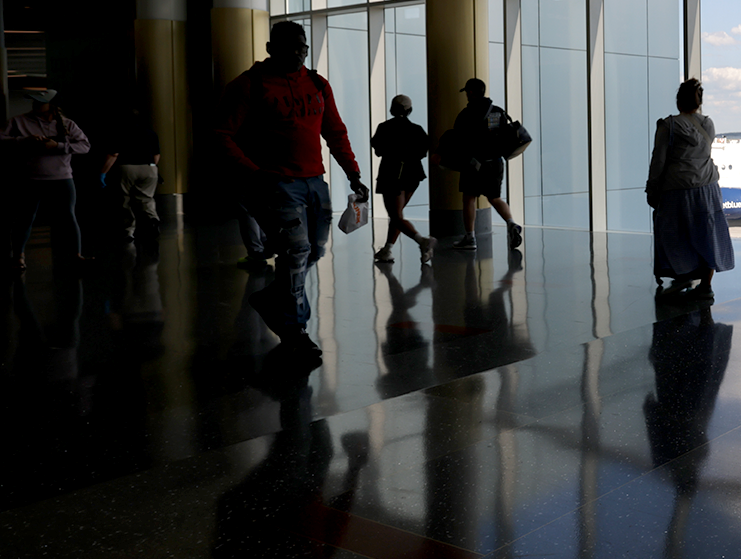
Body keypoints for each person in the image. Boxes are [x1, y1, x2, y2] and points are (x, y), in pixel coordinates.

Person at [210, 20, 367, 359]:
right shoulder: (249, 85)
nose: (298, 54)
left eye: (303, 47)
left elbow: (335, 131)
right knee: (295, 252)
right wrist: (253, 174)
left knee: (314, 251)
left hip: (314, 181)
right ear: (271, 50)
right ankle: (294, 330)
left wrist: (353, 172)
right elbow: (221, 134)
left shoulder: (316, 83)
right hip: (276, 183)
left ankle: (270, 300)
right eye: (291, 48)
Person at [646, 78, 735, 295]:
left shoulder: (669, 126)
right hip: (707, 188)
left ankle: (683, 273)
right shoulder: (707, 124)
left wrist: (652, 187)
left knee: (676, 235)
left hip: (676, 190)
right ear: (699, 102)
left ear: (678, 102)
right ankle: (706, 285)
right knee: (708, 233)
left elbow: (658, 161)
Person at [3, 89, 92, 269]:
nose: (35, 104)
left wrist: (57, 146)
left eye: (40, 101)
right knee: (25, 218)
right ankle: (19, 257)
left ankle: (76, 255)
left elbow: (85, 146)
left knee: (68, 216)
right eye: (34, 101)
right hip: (31, 178)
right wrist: (24, 140)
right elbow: (0, 140)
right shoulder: (19, 121)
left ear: (52, 104)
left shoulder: (68, 125)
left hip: (62, 178)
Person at [448, 78, 523, 251]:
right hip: (495, 163)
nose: (466, 95)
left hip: (474, 164)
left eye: (467, 91)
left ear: (472, 92)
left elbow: (457, 138)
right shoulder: (497, 112)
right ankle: (511, 223)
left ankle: (470, 238)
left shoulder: (466, 114)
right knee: (494, 197)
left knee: (469, 198)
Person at [370, 95, 434, 263]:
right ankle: (387, 249)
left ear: (392, 109)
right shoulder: (418, 129)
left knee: (396, 216)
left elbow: (378, 150)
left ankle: (422, 241)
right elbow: (422, 152)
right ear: (409, 110)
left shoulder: (384, 127)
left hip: (391, 173)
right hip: (413, 174)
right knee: (397, 215)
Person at [107, 111, 163, 244]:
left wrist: (103, 172)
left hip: (127, 167)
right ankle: (152, 219)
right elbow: (156, 155)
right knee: (146, 198)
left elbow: (114, 154)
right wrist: (153, 168)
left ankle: (128, 232)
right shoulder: (151, 133)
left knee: (125, 199)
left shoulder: (120, 132)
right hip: (149, 168)